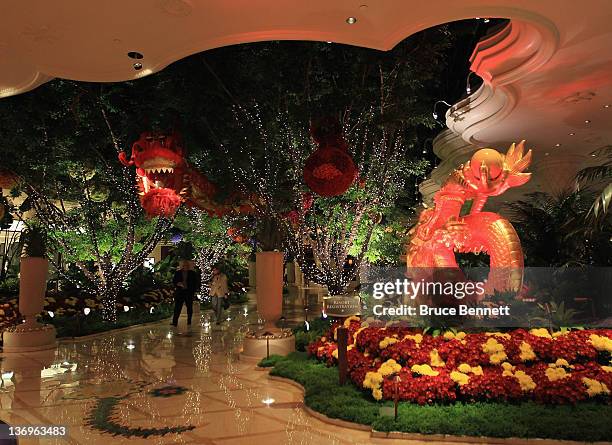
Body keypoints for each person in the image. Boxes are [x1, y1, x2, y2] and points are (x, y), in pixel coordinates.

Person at [172, 260, 198, 327]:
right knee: (177, 307)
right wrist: (178, 284)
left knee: (189, 307)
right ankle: (175, 322)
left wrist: (193, 291)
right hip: (180, 292)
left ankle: (189, 321)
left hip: (188, 292)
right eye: (184, 265)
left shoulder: (192, 273)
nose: (185, 266)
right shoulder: (178, 273)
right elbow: (174, 281)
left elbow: (195, 283)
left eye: (187, 265)